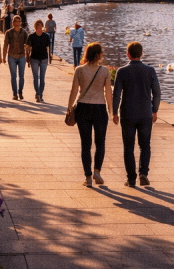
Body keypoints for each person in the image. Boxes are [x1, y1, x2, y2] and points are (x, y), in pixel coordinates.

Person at [112, 42, 161, 188]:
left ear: (128, 54)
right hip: (145, 113)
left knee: (128, 147)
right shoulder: (150, 70)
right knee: (145, 145)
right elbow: (157, 93)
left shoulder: (122, 71)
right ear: (141, 54)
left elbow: (116, 95)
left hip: (128, 114)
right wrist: (155, 110)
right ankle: (143, 173)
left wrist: (115, 112)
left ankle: (131, 179)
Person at [67, 42, 113, 188]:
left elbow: (74, 91)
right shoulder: (105, 71)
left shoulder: (79, 70)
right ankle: (97, 171)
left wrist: (69, 108)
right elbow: (108, 92)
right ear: (99, 55)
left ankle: (88, 177)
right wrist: (111, 110)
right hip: (99, 108)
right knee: (100, 143)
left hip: (83, 108)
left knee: (85, 144)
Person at [3, 15, 29, 101]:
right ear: (13, 23)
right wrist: (3, 57)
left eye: (18, 21)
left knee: (21, 76)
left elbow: (28, 46)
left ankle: (20, 92)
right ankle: (14, 94)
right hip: (12, 56)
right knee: (13, 76)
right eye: (15, 21)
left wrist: (28, 56)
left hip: (22, 56)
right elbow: (5, 45)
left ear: (21, 23)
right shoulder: (8, 32)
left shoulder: (24, 32)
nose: (17, 23)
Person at [25, 19, 51, 103]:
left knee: (42, 78)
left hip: (44, 59)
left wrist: (49, 58)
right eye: (37, 27)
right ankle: (38, 94)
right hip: (34, 59)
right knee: (35, 78)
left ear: (42, 27)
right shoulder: (31, 36)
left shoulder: (46, 36)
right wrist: (27, 56)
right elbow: (28, 47)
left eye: (40, 27)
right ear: (35, 27)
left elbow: (48, 48)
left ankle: (40, 94)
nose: (39, 28)